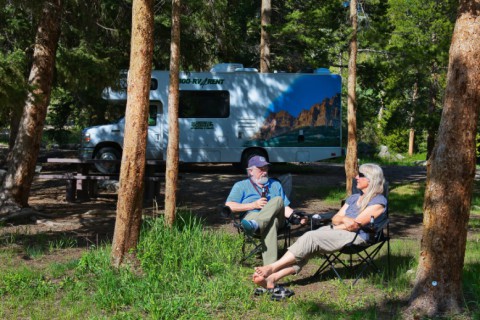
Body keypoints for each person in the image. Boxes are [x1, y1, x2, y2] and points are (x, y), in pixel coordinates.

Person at [252, 163, 387, 290]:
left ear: (370, 180)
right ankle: (273, 278)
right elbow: (335, 218)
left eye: (360, 175)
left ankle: (272, 268)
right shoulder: (353, 198)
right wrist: (343, 220)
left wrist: (338, 225)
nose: (356, 177)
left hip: (357, 237)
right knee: (307, 247)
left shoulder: (379, 201)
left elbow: (354, 226)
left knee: (311, 237)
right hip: (338, 232)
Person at [225, 155, 306, 265]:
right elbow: (229, 206)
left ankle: (257, 224)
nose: (264, 172)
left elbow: (285, 207)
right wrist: (253, 205)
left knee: (278, 200)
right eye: (260, 169)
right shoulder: (241, 186)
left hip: (273, 219)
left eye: (266, 168)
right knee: (271, 223)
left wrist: (297, 218)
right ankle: (270, 268)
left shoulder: (275, 184)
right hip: (251, 216)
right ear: (250, 171)